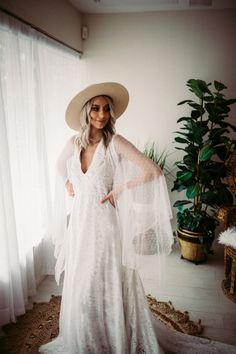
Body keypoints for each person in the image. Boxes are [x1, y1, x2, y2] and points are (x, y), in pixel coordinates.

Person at [39, 82, 174, 354]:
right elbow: (57, 165)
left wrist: (120, 188)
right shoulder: (73, 143)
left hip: (104, 226)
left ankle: (112, 336)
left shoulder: (115, 143)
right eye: (95, 109)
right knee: (82, 280)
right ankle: (85, 336)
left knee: (100, 278)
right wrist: (67, 184)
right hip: (79, 222)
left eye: (106, 109)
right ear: (86, 112)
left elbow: (153, 171)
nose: (101, 115)